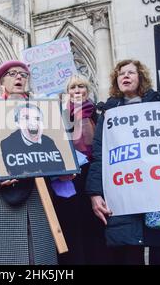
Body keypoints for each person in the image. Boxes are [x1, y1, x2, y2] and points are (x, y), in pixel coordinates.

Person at [86, 59, 160, 265]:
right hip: (124, 194)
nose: (125, 76)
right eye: (121, 74)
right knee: (128, 255)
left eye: (131, 72)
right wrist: (95, 194)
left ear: (141, 78)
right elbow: (99, 155)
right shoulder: (108, 114)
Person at [0, 60, 57, 264]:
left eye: (24, 75)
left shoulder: (44, 113)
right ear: (1, 83)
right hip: (0, 204)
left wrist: (63, 169)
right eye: (13, 73)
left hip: (37, 203)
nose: (19, 77)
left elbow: (55, 149)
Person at [48, 75, 108, 265]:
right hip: (70, 180)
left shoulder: (98, 114)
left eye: (81, 86)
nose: (77, 90)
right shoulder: (60, 116)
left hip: (96, 177)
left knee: (96, 229)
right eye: (72, 87)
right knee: (73, 229)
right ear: (68, 93)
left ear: (87, 90)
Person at [0, 103, 66, 177]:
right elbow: (15, 172)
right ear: (17, 123)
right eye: (26, 118)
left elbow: (60, 169)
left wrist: (63, 175)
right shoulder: (8, 143)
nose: (33, 122)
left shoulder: (48, 141)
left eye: (37, 119)